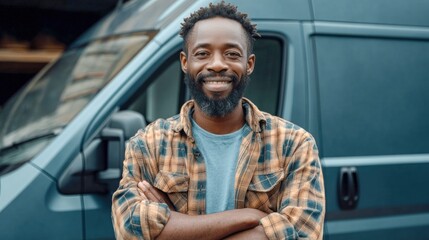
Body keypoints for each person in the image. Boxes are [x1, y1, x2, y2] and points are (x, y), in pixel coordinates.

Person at [112, 1, 325, 239]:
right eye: (202, 53)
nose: (217, 65)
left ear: (249, 64)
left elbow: (301, 234)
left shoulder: (294, 145)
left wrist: (177, 228)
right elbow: (130, 228)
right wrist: (250, 216)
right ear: (185, 62)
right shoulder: (148, 143)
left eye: (232, 54)